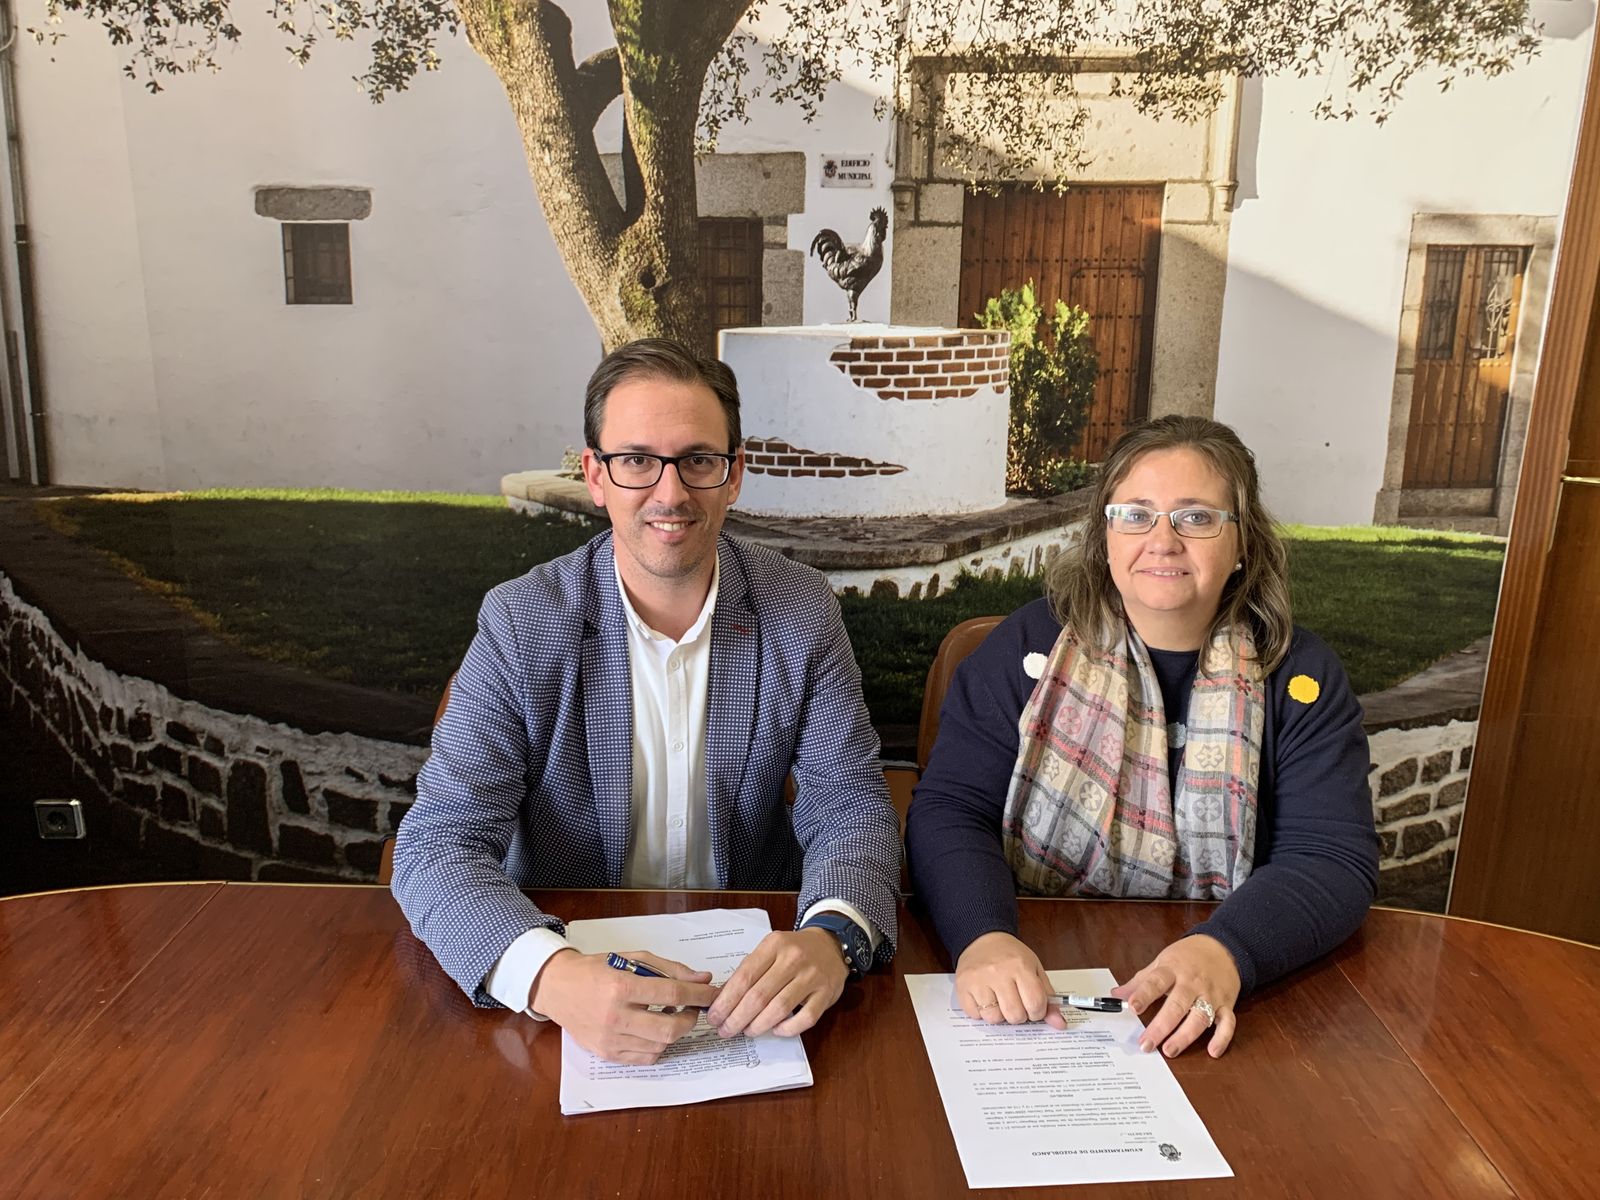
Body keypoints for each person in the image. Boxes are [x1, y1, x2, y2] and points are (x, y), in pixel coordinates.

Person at [393, 338, 900, 1065]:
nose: (670, 493)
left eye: (698, 460)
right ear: (594, 475)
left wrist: (832, 937)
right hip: (571, 972)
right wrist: (550, 977)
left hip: (748, 984)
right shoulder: (520, 623)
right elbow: (436, 844)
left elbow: (848, 803)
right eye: (637, 461)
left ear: (735, 475)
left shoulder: (800, 609)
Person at [907, 415, 1378, 1059]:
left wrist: (1228, 950)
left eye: (1196, 517)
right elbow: (950, 810)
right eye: (1134, 514)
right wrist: (982, 936)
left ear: (1243, 545)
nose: (1162, 540)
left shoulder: (1299, 675)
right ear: (1104, 536)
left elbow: (1330, 858)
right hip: (1033, 979)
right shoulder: (1023, 648)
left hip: (1217, 991)